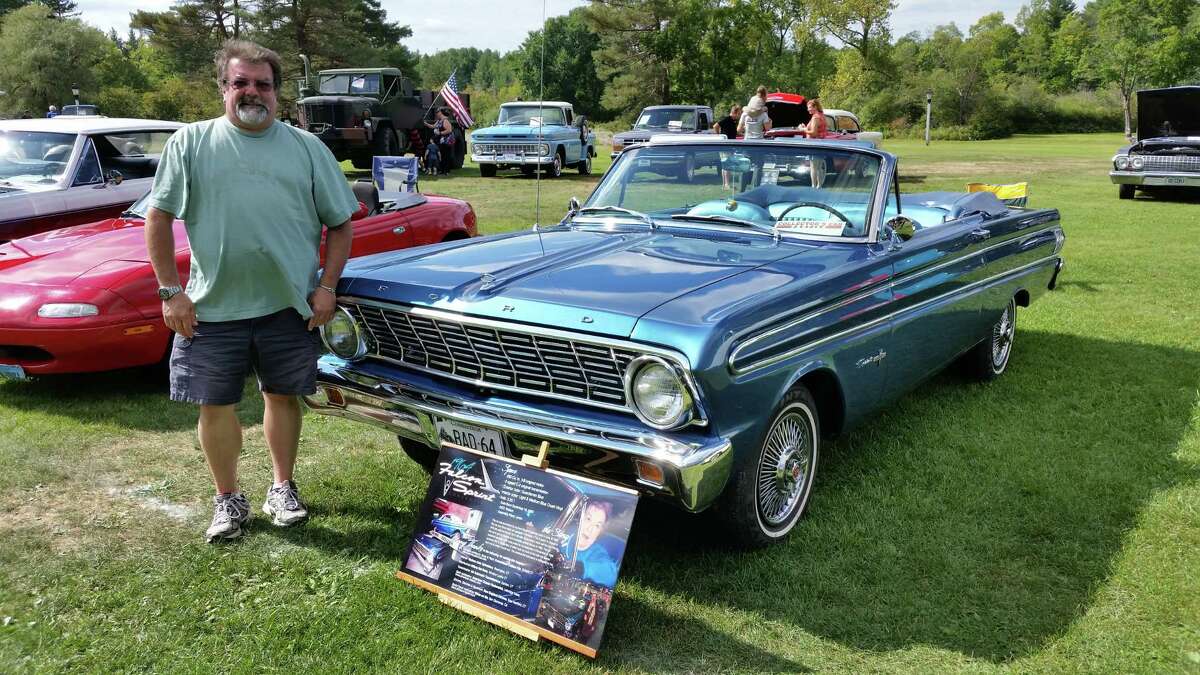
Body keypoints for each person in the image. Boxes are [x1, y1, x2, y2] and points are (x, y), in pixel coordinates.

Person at [144, 39, 358, 543]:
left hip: (288, 305)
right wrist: (170, 292)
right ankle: (228, 498)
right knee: (214, 405)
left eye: (263, 84)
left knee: (282, 398)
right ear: (223, 87)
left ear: (277, 92)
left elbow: (341, 223)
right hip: (211, 308)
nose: (252, 92)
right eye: (240, 82)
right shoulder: (190, 143)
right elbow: (158, 219)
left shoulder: (307, 148)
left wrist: (326, 286)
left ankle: (282, 488)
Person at [558, 500, 618, 588]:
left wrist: (580, 567)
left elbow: (611, 575)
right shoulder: (562, 536)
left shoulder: (598, 553)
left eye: (597, 526)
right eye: (588, 519)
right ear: (579, 519)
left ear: (600, 532)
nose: (590, 529)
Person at [714, 104, 742, 188]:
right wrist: (719, 135)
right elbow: (715, 126)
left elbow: (733, 132)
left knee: (726, 164)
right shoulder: (727, 119)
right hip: (725, 145)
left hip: (731, 146)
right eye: (739, 113)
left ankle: (725, 184)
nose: (739, 115)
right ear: (734, 113)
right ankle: (726, 184)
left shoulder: (734, 121)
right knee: (727, 164)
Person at [805, 98, 829, 187]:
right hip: (821, 143)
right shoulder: (822, 115)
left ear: (815, 107)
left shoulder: (815, 117)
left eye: (809, 107)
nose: (808, 109)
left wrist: (803, 129)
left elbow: (814, 133)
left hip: (814, 145)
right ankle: (819, 186)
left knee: (813, 167)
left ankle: (814, 187)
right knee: (819, 167)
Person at [425, 108, 453, 174]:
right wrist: (426, 124)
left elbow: (449, 130)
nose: (436, 113)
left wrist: (440, 133)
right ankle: (442, 170)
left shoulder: (445, 120)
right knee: (441, 155)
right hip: (441, 141)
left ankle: (446, 171)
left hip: (447, 141)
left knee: (446, 155)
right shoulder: (439, 121)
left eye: (437, 112)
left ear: (441, 113)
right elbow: (433, 126)